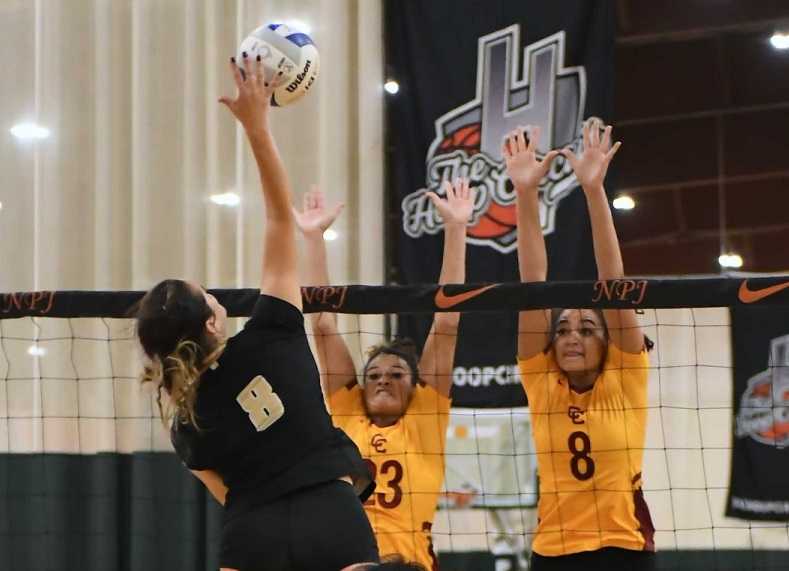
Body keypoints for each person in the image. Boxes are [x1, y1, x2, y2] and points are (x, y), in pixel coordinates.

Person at [134, 54, 378, 571]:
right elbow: (275, 218)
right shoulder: (275, 328)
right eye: (212, 297)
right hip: (330, 514)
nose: (221, 298)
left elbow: (225, 493)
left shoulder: (181, 417)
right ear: (212, 322)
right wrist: (257, 128)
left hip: (253, 532)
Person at [293, 180, 474, 570]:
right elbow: (324, 326)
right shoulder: (348, 413)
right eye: (373, 373)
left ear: (415, 387)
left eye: (396, 374)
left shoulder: (424, 418)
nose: (383, 379)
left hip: (409, 564)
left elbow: (446, 325)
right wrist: (314, 239)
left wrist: (456, 229)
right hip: (347, 561)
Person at [504, 121, 656, 571]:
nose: (572, 336)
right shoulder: (542, 382)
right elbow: (532, 285)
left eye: (587, 329)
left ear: (608, 341)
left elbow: (613, 282)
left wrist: (593, 191)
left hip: (623, 549)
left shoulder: (626, 378)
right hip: (554, 552)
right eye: (564, 329)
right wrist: (525, 195)